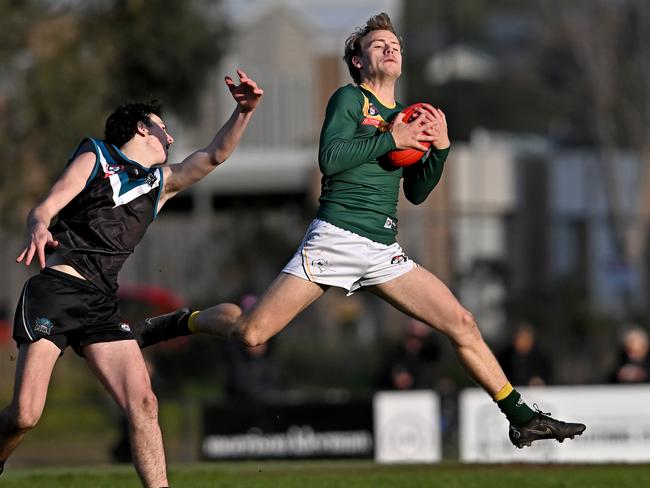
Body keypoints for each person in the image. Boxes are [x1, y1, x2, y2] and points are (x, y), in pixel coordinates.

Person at [137, 13, 585, 449]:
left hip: (382, 249)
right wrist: (394, 139)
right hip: (335, 237)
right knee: (252, 333)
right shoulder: (350, 100)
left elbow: (417, 193)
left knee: (462, 323)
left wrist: (439, 150)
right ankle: (186, 321)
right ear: (357, 60)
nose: (390, 48)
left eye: (395, 45)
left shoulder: (410, 117)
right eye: (378, 45)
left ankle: (522, 418)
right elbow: (329, 160)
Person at [0, 70, 263, 486]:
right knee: (25, 414)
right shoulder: (98, 156)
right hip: (56, 291)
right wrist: (38, 225)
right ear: (142, 127)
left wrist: (243, 111)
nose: (171, 139)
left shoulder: (160, 184)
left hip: (101, 304)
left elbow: (213, 155)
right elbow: (47, 205)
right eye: (164, 129)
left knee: (144, 403)